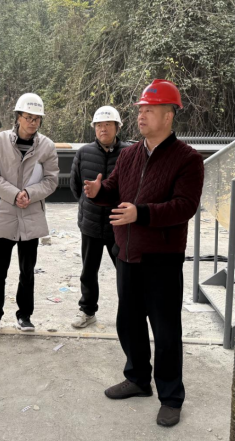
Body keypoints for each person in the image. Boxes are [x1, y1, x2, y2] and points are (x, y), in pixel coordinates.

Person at [84, 79, 204, 427]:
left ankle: (171, 397)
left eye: (150, 110)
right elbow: (114, 190)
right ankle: (137, 378)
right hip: (127, 253)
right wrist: (98, 191)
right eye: (140, 109)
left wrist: (141, 213)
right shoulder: (130, 154)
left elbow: (184, 206)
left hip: (162, 258)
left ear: (169, 115)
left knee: (165, 331)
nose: (142, 115)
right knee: (129, 322)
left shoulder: (187, 159)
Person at [0, 93, 59, 332]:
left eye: (37, 119)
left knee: (27, 272)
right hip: (4, 215)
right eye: (28, 117)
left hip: (31, 216)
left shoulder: (47, 146)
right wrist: (15, 194)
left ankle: (24, 316)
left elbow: (51, 180)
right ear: (18, 117)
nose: (32, 123)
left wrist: (29, 193)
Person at [69, 106, 131, 328]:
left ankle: (130, 312)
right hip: (91, 225)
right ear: (94, 128)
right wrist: (88, 205)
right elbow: (75, 186)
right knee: (88, 272)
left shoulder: (129, 153)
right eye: (99, 125)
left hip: (119, 224)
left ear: (117, 127)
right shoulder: (84, 153)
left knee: (126, 271)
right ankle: (87, 311)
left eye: (107, 124)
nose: (103, 129)